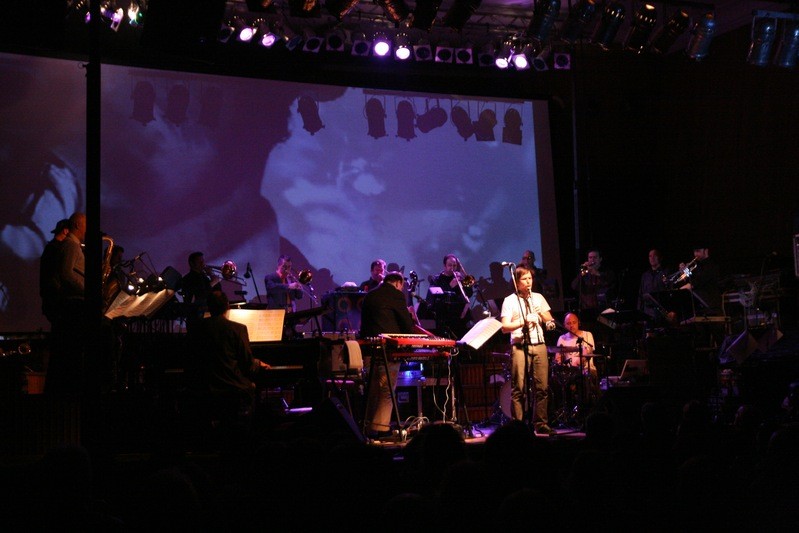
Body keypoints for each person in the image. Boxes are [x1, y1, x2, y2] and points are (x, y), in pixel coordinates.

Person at [360, 271, 429, 438]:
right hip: (388, 350)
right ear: (398, 283)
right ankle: (381, 429)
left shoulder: (370, 295)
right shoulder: (396, 295)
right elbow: (406, 325)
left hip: (369, 350)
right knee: (387, 390)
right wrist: (411, 320)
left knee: (372, 390)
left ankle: (367, 429)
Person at [188, 291, 270, 422]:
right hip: (232, 389)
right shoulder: (238, 329)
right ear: (227, 306)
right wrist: (258, 363)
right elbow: (247, 365)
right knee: (251, 386)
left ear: (208, 307)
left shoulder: (196, 329)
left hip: (204, 388)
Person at [500, 265, 557, 435]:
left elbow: (550, 321)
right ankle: (517, 426)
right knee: (519, 388)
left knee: (542, 387)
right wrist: (523, 321)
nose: (528, 282)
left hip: (539, 344)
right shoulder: (510, 300)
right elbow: (504, 327)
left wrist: (546, 319)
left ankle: (541, 423)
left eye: (530, 278)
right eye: (524, 279)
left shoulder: (538, 298)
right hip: (519, 345)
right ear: (517, 282)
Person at [45, 212, 87, 395]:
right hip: (73, 305)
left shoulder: (71, 245)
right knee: (71, 352)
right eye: (86, 225)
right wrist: (87, 290)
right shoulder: (71, 245)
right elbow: (66, 274)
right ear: (77, 225)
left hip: (71, 304)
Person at [556, 312, 598, 407]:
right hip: (569, 372)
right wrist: (560, 363)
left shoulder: (587, 335)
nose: (571, 325)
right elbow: (558, 358)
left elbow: (587, 354)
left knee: (584, 377)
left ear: (578, 322)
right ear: (564, 325)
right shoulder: (562, 338)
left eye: (574, 322)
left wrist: (575, 365)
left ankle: (586, 407)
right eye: (568, 323)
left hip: (586, 370)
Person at [430, 254, 473, 338]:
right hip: (444, 317)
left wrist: (464, 281)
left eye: (454, 265)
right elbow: (435, 296)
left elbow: (469, 293)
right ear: (444, 266)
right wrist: (450, 286)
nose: (452, 268)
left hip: (460, 317)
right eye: (450, 265)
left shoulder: (459, 278)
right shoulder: (436, 279)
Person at [570, 249, 616, 323]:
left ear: (600, 259)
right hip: (588, 310)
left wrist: (597, 273)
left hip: (604, 310)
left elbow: (610, 282)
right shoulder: (585, 274)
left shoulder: (607, 271)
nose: (592, 260)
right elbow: (574, 286)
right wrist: (581, 274)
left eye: (595, 257)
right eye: (590, 257)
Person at [39, 218, 69, 325]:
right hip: (55, 299)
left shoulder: (51, 248)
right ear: (65, 231)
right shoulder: (55, 249)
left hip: (52, 298)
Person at [679, 244, 721, 314]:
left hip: (710, 305)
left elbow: (697, 282)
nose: (695, 254)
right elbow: (689, 278)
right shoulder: (697, 266)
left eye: (698, 251)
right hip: (700, 305)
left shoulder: (711, 265)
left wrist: (680, 291)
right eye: (694, 251)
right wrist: (684, 271)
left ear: (706, 251)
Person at [179, 251, 221, 320]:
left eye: (203, 261)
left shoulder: (203, 276)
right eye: (199, 262)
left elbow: (217, 291)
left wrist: (211, 275)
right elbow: (200, 295)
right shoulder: (188, 278)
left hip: (206, 313)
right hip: (197, 316)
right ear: (192, 263)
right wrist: (212, 283)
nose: (203, 264)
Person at [638, 249, 670, 320]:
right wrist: (640, 313)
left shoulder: (666, 272)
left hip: (662, 312)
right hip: (647, 312)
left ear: (660, 257)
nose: (652, 258)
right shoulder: (645, 275)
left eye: (654, 256)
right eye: (650, 256)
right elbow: (640, 295)